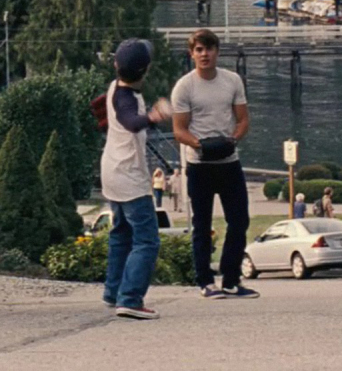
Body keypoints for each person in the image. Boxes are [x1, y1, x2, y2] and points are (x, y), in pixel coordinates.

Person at [171, 29, 259, 300]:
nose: (204, 54)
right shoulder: (184, 87)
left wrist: (232, 139)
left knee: (239, 221)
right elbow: (179, 130)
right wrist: (199, 144)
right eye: (199, 50)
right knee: (202, 224)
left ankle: (231, 280)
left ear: (217, 52)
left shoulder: (232, 81)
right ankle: (206, 282)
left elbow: (243, 120)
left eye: (209, 49)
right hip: (199, 164)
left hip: (229, 162)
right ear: (192, 54)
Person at [101, 39, 172, 320]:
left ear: (116, 65)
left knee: (121, 234)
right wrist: (154, 115)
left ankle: (113, 291)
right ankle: (130, 298)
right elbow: (131, 122)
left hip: (112, 171)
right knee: (147, 241)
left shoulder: (115, 88)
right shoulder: (126, 98)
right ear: (146, 70)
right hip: (129, 178)